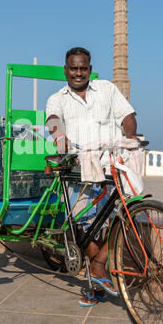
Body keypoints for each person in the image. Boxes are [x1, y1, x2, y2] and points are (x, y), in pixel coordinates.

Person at [46, 47, 139, 306]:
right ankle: (96, 279)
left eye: (83, 68)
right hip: (79, 169)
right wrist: (60, 138)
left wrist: (130, 138)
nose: (78, 73)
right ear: (66, 70)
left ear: (90, 69)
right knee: (84, 226)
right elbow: (53, 121)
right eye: (73, 68)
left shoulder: (107, 89)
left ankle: (98, 267)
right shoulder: (57, 98)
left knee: (116, 220)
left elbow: (128, 116)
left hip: (110, 166)